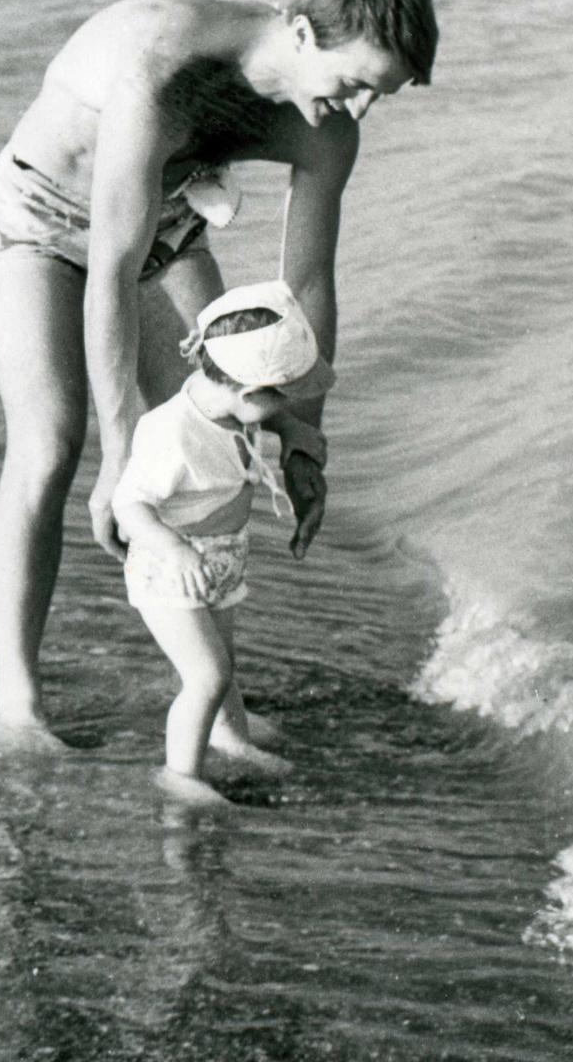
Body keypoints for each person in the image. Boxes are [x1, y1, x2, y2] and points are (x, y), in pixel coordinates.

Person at [0, 0, 439, 733]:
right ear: (301, 34)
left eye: (382, 96)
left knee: (219, 445)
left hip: (167, 231)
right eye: (356, 84)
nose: (359, 112)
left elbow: (308, 287)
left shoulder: (325, 127)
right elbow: (112, 274)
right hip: (45, 223)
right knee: (53, 447)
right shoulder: (163, 65)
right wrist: (121, 455)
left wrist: (304, 439)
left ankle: (220, 706)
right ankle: (16, 700)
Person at [111, 280, 335, 803]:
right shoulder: (171, 432)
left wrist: (290, 432)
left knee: (222, 661)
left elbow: (266, 415)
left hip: (222, 557)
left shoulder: (230, 405)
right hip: (172, 568)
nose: (287, 409)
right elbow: (129, 506)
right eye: (282, 398)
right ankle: (180, 776)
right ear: (250, 392)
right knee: (207, 674)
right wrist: (174, 549)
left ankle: (231, 739)